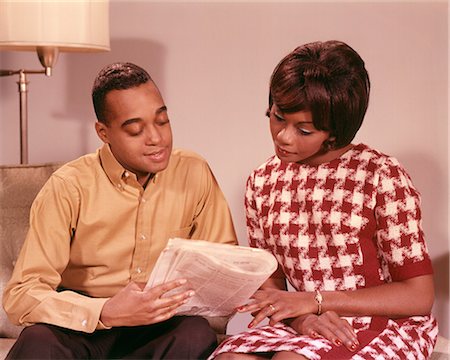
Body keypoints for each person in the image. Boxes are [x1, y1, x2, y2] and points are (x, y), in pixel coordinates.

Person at [210, 40, 437, 359]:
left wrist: (317, 300)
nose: (283, 137)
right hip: (301, 321)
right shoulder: (262, 181)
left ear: (334, 132)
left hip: (383, 323)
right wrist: (302, 317)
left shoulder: (381, 175)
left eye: (304, 131)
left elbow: (418, 296)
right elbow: (268, 282)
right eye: (277, 117)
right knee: (228, 358)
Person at [3, 62, 237, 359]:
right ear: (104, 132)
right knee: (39, 342)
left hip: (157, 328)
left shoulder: (194, 172)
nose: (156, 138)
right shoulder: (69, 186)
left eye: (162, 121)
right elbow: (22, 295)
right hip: (82, 328)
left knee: (195, 334)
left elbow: (223, 266)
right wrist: (106, 311)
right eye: (136, 130)